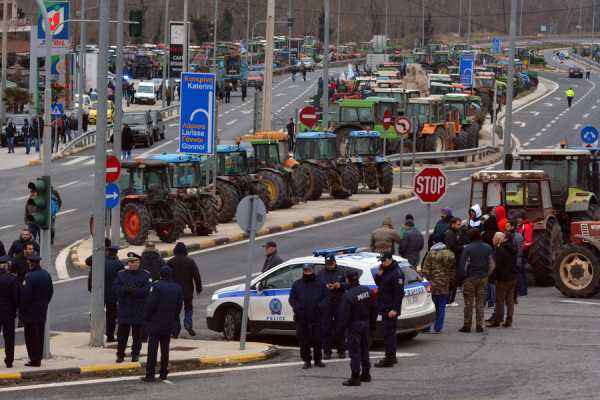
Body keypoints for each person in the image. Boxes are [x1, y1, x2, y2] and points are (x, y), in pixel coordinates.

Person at [142, 266, 183, 382]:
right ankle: (163, 372)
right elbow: (179, 306)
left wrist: (147, 317)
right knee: (165, 349)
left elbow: (151, 303)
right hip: (169, 322)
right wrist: (174, 318)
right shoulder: (177, 288)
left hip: (155, 322)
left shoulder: (156, 286)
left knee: (152, 349)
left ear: (161, 275)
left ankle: (150, 374)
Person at [337, 269, 376, 386]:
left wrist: (340, 331)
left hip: (354, 325)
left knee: (354, 352)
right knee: (364, 349)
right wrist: (372, 324)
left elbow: (343, 316)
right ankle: (366, 374)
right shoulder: (367, 290)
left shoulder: (348, 296)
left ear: (348, 280)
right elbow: (374, 308)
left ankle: (355, 377)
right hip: (366, 323)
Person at [113, 253, 152, 363]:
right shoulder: (121, 274)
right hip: (124, 309)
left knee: (137, 335)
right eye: (130, 262)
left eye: (134, 261)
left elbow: (147, 290)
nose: (131, 264)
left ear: (139, 262)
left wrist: (134, 291)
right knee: (122, 335)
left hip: (138, 308)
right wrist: (126, 290)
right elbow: (115, 288)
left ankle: (135, 353)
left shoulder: (146, 275)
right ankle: (120, 354)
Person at [289, 264, 327, 369]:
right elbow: (292, 299)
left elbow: (327, 298)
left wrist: (320, 307)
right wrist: (298, 308)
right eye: (305, 271)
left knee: (317, 340)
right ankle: (307, 361)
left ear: (313, 271)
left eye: (309, 270)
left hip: (317, 317)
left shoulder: (320, 283)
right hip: (302, 318)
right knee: (303, 341)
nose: (307, 272)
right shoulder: (297, 284)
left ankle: (318, 360)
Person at [19, 255, 53, 367]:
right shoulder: (46, 275)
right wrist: (44, 304)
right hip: (42, 310)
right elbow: (50, 292)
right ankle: (38, 358)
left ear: (31, 264)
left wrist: (22, 310)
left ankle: (34, 359)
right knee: (40, 335)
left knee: (31, 337)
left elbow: (25, 296)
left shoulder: (29, 277)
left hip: (30, 312)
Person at [459, 229, 494, 333]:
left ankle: (467, 325)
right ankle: (479, 325)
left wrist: (464, 277)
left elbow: (462, 264)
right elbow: (492, 264)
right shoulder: (488, 247)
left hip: (470, 278)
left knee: (468, 303)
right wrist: (486, 274)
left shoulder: (467, 248)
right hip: (483, 277)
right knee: (480, 302)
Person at [87, 244, 124, 342]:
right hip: (112, 294)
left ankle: (95, 334)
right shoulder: (119, 264)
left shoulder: (98, 261)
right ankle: (110, 336)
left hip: (98, 292)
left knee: (95, 312)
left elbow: (88, 264)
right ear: (116, 253)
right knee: (111, 315)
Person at [373, 252, 404, 368]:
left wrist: (395, 309)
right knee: (388, 333)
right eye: (381, 261)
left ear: (390, 259)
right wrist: (379, 275)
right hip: (385, 307)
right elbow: (379, 283)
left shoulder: (396, 273)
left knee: (388, 334)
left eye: (384, 260)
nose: (382, 263)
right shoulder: (386, 270)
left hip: (390, 309)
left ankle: (389, 359)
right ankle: (392, 356)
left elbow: (399, 293)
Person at [167, 242, 202, 337]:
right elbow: (196, 276)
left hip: (173, 291)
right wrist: (199, 288)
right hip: (187, 290)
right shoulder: (190, 261)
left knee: (174, 311)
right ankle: (188, 324)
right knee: (188, 308)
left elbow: (166, 276)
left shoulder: (170, 262)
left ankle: (175, 331)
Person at [421, 240, 455, 333]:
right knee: (441, 306)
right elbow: (453, 270)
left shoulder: (431, 254)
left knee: (430, 305)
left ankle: (427, 327)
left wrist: (427, 280)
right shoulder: (450, 254)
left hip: (433, 283)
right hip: (445, 283)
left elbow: (425, 270)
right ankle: (438, 327)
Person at [318, 255, 348, 359]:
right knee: (326, 328)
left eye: (331, 264)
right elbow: (317, 286)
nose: (329, 266)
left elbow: (349, 284)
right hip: (326, 304)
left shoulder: (342, 271)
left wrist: (340, 285)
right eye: (327, 265)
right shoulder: (321, 273)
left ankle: (341, 350)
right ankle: (327, 351)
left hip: (339, 303)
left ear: (335, 262)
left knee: (340, 327)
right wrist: (324, 287)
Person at [488, 232, 518, 328]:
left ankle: (497, 320)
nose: (493, 239)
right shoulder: (514, 249)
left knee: (499, 301)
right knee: (510, 301)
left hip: (502, 279)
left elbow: (498, 266)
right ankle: (509, 320)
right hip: (512, 277)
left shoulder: (500, 250)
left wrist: (492, 278)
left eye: (494, 238)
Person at [0, 255, 18, 368]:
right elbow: (16, 297)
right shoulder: (12, 278)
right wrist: (15, 309)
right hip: (9, 313)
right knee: (9, 338)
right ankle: (9, 361)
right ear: (6, 266)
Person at [444, 217, 463, 306]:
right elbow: (452, 247)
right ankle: (448, 300)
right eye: (458, 224)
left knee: (455, 280)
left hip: (457, 259)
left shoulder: (457, 232)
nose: (460, 226)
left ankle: (451, 299)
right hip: (451, 260)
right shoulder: (449, 234)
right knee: (451, 280)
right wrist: (462, 247)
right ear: (453, 224)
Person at [506, 219, 527, 297]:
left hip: (517, 257)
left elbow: (518, 248)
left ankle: (521, 290)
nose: (506, 228)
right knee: (521, 273)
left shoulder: (516, 236)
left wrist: (516, 257)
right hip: (517, 257)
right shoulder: (517, 235)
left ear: (512, 227)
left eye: (508, 226)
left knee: (519, 274)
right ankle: (523, 290)